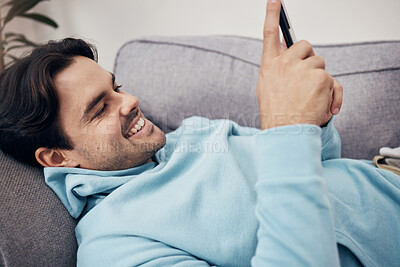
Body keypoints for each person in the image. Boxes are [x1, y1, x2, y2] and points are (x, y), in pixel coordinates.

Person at [0, 0, 399, 266]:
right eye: (100, 108)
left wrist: (316, 121)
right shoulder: (116, 245)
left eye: (116, 88)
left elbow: (319, 164)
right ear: (57, 157)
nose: (131, 101)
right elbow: (288, 155)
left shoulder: (190, 135)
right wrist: (288, 130)